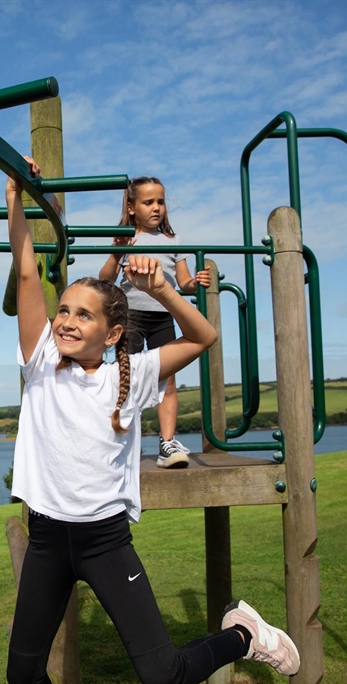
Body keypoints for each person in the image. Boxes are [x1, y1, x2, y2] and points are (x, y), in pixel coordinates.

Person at [5, 158, 300, 684]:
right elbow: (26, 274)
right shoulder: (41, 359)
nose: (66, 320)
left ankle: (243, 634)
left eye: (83, 315)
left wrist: (163, 289)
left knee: (163, 677)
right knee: (22, 676)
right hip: (46, 538)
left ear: (113, 333)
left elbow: (203, 336)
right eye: (63, 310)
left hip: (104, 541)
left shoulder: (132, 373)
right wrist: (14, 197)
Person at [99, 177, 210, 468]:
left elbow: (183, 282)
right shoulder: (126, 238)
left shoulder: (174, 241)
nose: (157, 207)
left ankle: (167, 443)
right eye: (148, 202)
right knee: (127, 379)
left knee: (168, 381)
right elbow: (105, 279)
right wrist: (117, 251)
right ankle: (123, 441)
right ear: (131, 207)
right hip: (131, 317)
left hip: (163, 316)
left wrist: (196, 282)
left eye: (160, 201)